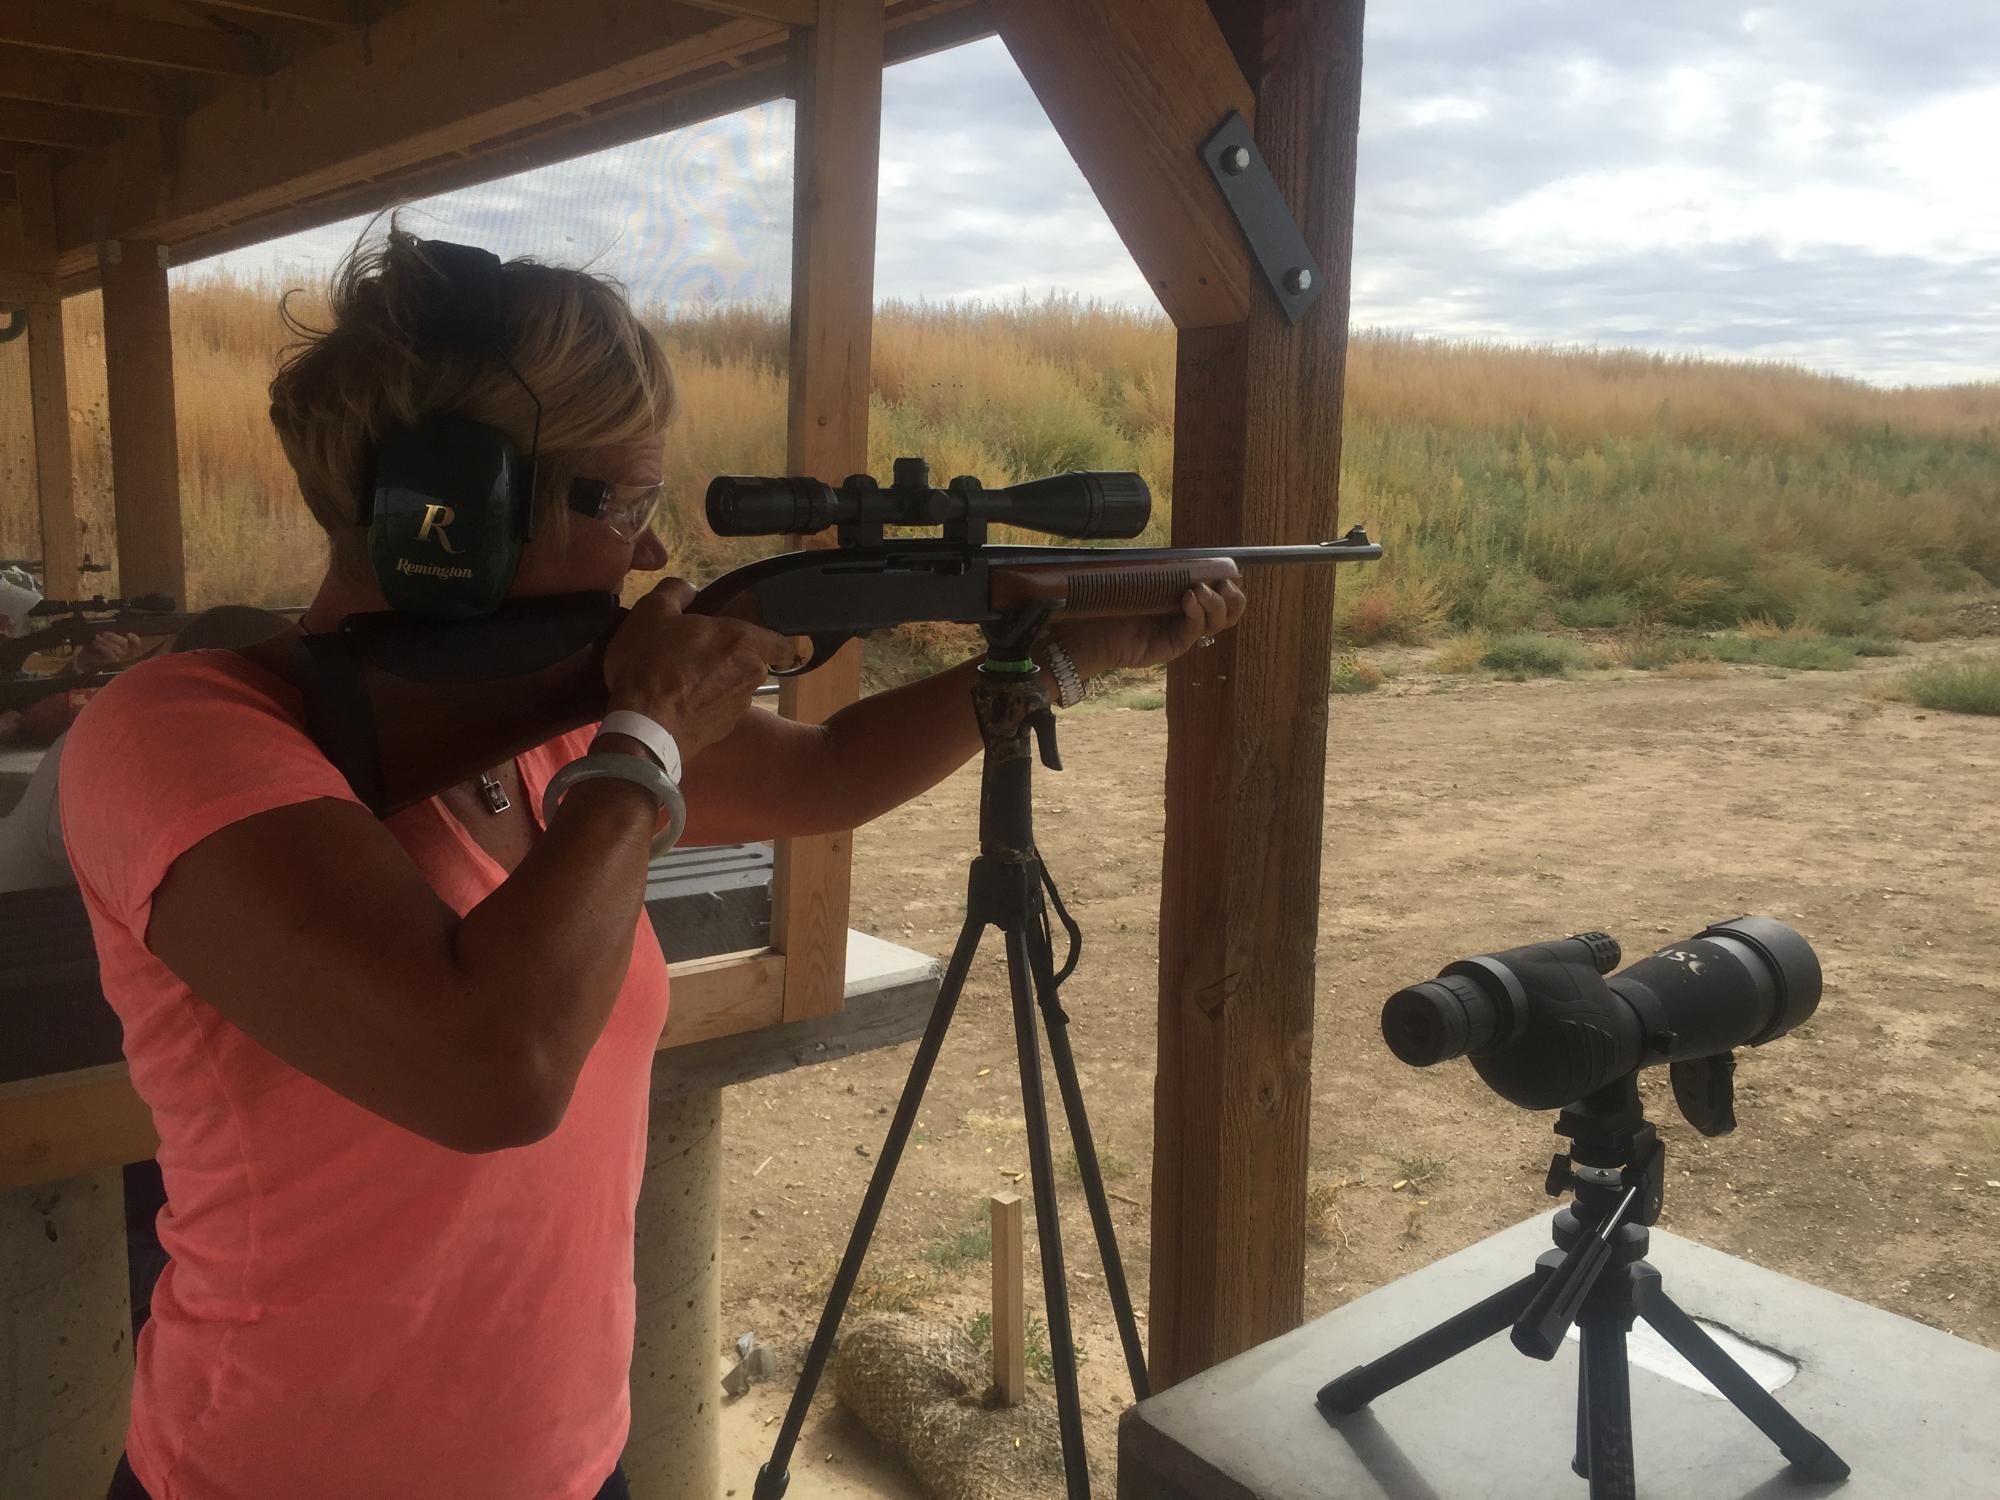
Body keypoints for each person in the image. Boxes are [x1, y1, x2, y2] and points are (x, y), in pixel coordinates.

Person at [58, 228, 1245, 1500]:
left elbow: (830, 771)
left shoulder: (553, 716)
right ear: (453, 516)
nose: (643, 554)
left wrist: (1059, 659)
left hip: (572, 1461)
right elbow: (493, 1072)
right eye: (620, 503)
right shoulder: (178, 734)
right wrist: (643, 739)